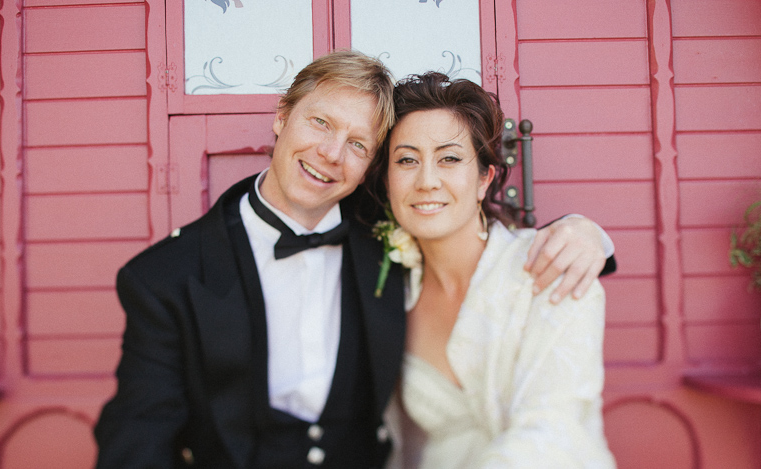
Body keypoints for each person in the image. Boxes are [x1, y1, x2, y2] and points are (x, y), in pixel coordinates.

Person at [94, 51, 613, 468]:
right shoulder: (167, 276)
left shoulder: (384, 241)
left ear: (370, 167)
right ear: (281, 117)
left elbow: (482, 252)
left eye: (358, 144)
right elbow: (138, 433)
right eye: (320, 123)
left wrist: (588, 233)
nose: (331, 153)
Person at [367, 72, 615, 468]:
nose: (427, 181)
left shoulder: (556, 266)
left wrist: (590, 232)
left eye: (449, 158)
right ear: (387, 180)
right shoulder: (385, 290)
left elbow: (553, 431)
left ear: (485, 178)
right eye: (407, 160)